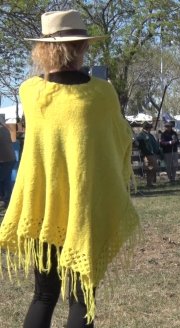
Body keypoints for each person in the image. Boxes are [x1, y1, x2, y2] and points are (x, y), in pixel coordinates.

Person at [0, 10, 140, 327]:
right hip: (85, 209)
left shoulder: (30, 92)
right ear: (82, 48)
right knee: (81, 298)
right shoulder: (102, 94)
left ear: (43, 49)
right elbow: (120, 140)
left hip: (43, 209)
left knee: (43, 296)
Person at [136, 121, 161, 187]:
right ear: (147, 128)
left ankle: (149, 183)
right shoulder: (141, 135)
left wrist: (157, 151)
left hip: (152, 154)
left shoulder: (150, 135)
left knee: (151, 168)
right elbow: (138, 143)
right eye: (149, 127)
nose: (150, 128)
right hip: (146, 154)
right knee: (152, 168)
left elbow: (154, 144)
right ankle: (149, 183)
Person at [0, 118, 16, 214]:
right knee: (5, 180)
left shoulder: (2, 129)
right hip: (9, 159)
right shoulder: (4, 127)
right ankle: (6, 201)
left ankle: (5, 202)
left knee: (4, 181)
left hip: (5, 160)